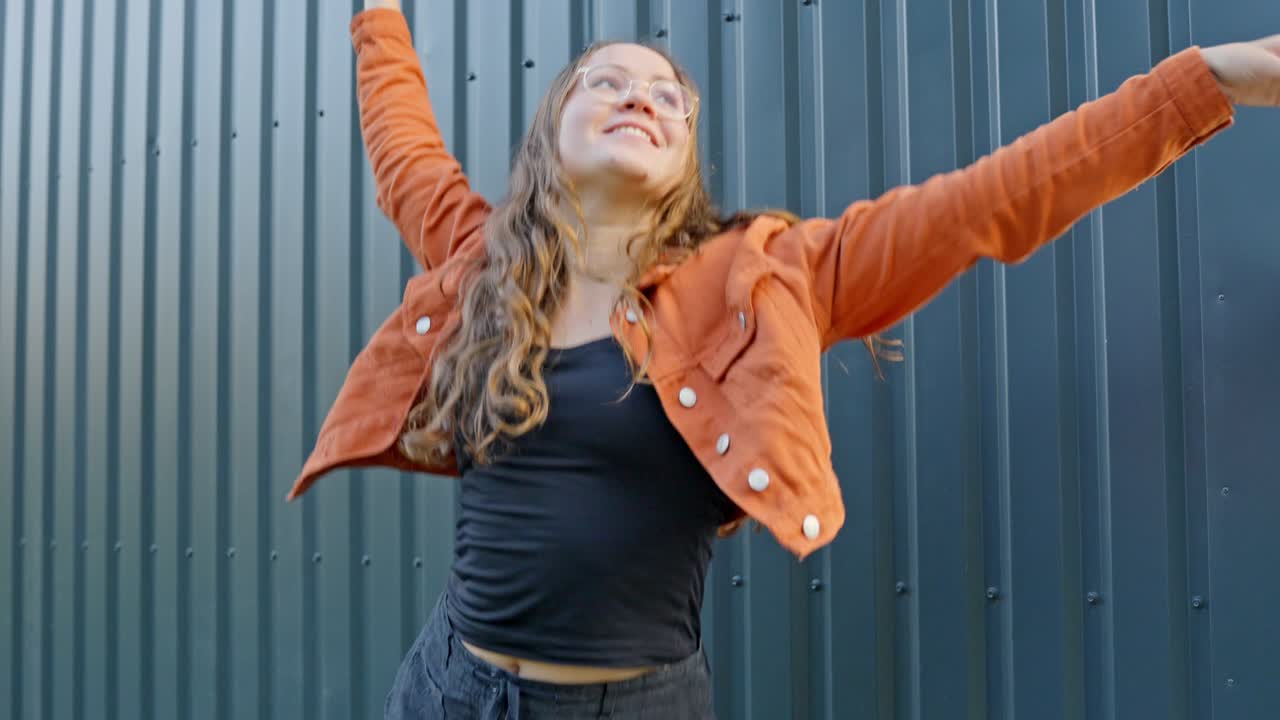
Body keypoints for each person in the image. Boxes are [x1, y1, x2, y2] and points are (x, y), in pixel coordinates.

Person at [284, 0, 1279, 716]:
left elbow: (993, 199)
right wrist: (376, 13)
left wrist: (1207, 78)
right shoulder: (477, 255)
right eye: (607, 83)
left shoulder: (773, 275)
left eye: (667, 96)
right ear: (552, 133)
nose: (640, 98)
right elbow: (399, 139)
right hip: (452, 689)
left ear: (684, 155)